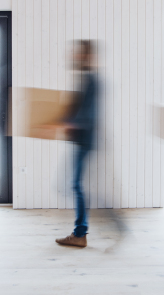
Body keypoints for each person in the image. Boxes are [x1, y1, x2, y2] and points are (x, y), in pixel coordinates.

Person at [54, 40, 98, 248]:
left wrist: (67, 122)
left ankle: (80, 234)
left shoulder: (91, 80)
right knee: (77, 185)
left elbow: (87, 115)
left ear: (86, 55)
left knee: (77, 186)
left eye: (77, 53)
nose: (73, 56)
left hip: (85, 141)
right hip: (82, 140)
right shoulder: (86, 79)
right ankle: (81, 231)